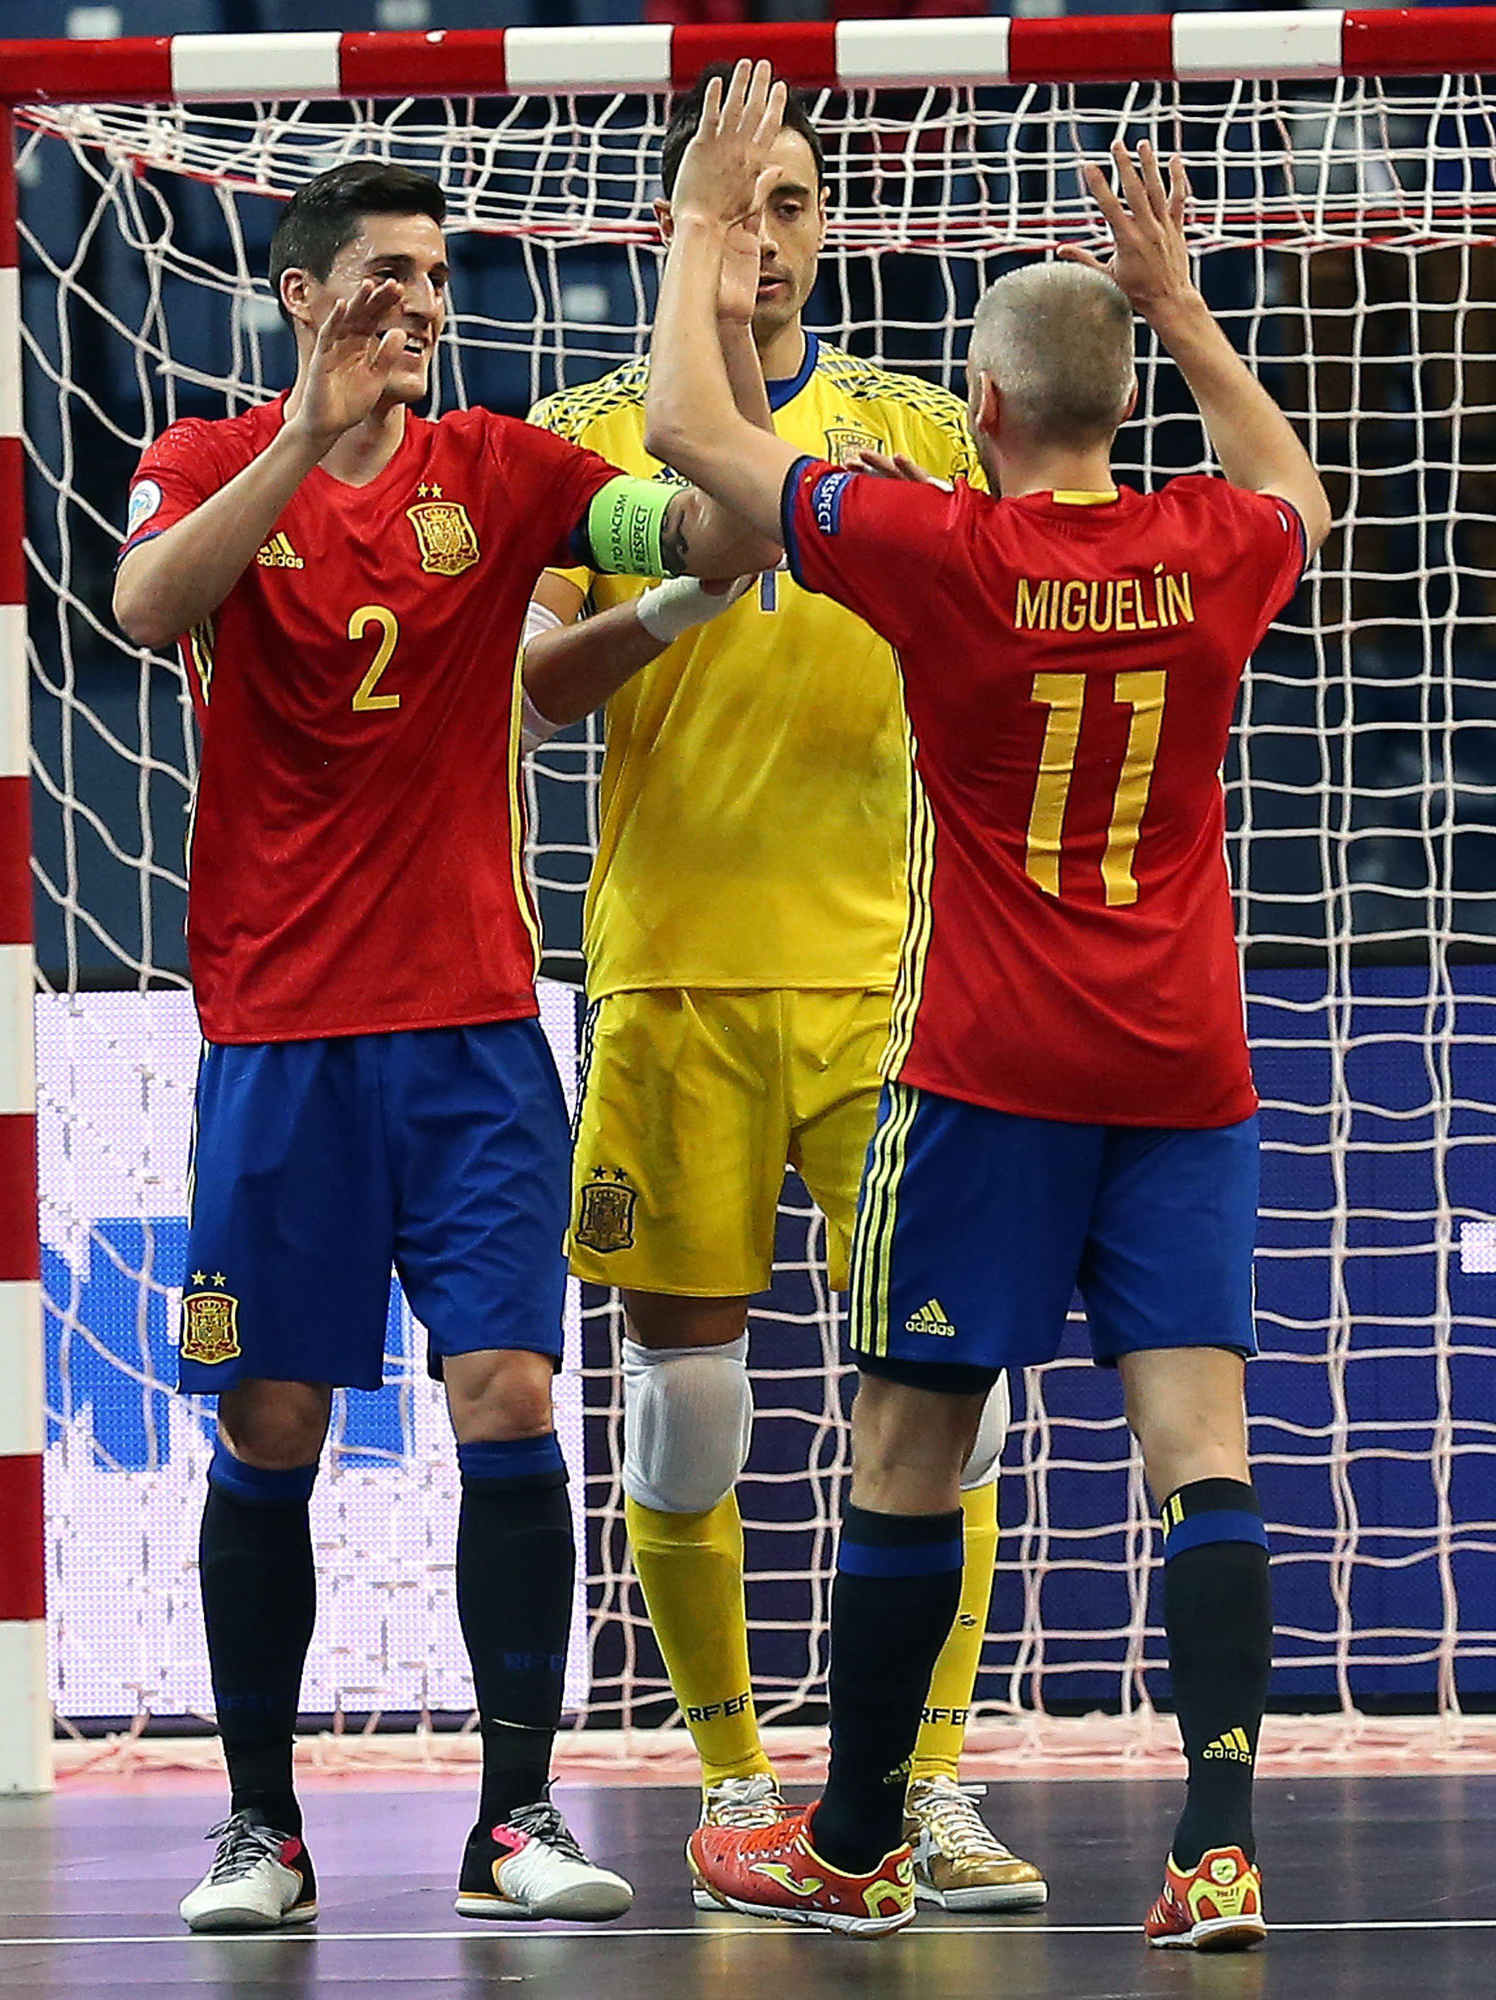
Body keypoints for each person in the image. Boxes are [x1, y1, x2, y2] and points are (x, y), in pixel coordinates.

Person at [644, 64, 1330, 1944]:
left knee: (907, 1446)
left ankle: (852, 1838)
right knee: (1201, 1453)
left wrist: (710, 217)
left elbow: (690, 430)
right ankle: (1215, 1849)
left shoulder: (948, 555)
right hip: (1187, 1072)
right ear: (1116, 401)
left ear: (984, 410)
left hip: (988, 1073)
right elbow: (1297, 489)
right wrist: (1186, 309)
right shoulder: (1212, 554)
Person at [112, 158, 774, 1934]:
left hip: (477, 1030)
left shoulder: (507, 471)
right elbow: (150, 608)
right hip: (279, 1032)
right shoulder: (198, 457)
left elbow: (710, 535)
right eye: (386, 274)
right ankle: (261, 1825)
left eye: (436, 275)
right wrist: (302, 434)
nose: (421, 300)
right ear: (306, 293)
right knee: (270, 1413)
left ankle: (514, 1816)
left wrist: (707, 333)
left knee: (509, 1396)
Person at [519, 65, 1042, 1914]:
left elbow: (1047, 580)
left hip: (894, 988)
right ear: (681, 225)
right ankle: (736, 1776)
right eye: (736, 200)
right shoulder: (586, 431)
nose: (767, 233)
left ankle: (919, 1782)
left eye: (796, 201)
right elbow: (538, 688)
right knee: (685, 1406)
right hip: (670, 979)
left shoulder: (912, 422)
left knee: (944, 1394)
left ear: (829, 229)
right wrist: (674, 592)